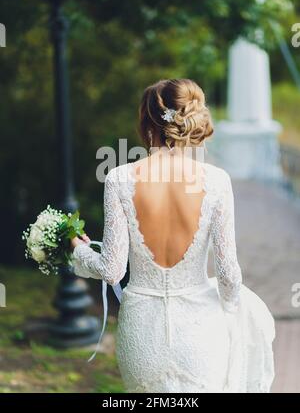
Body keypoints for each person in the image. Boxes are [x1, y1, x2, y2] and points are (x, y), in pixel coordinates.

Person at [71, 78, 275, 393]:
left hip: (142, 332)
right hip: (201, 332)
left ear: (146, 122)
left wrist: (78, 252)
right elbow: (229, 276)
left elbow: (112, 269)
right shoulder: (216, 182)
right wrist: (233, 314)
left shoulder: (119, 179)